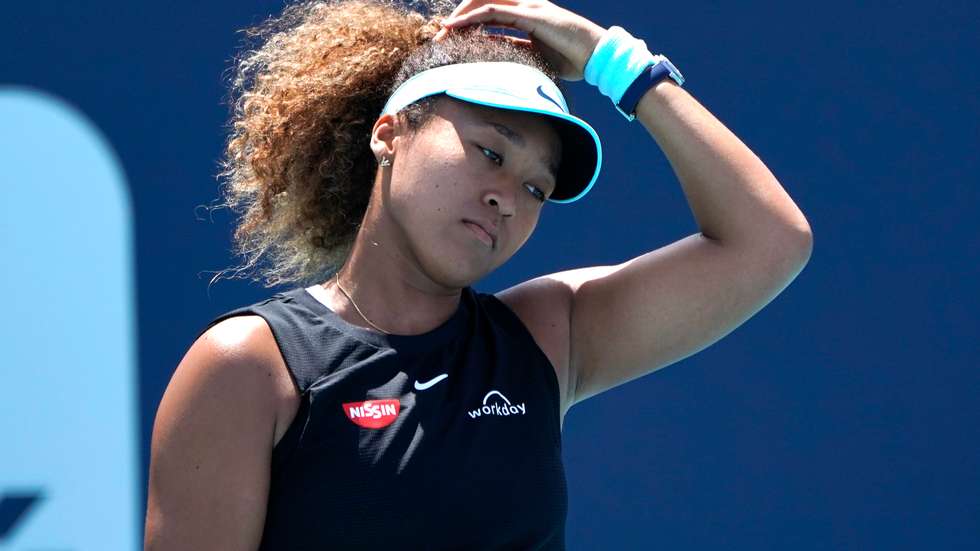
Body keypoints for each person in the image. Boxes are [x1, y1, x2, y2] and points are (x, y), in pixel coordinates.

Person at [144, 0, 813, 549]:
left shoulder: (547, 336)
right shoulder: (250, 366)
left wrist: (611, 61)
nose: (508, 198)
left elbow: (770, 240)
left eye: (536, 188)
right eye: (490, 152)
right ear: (390, 134)